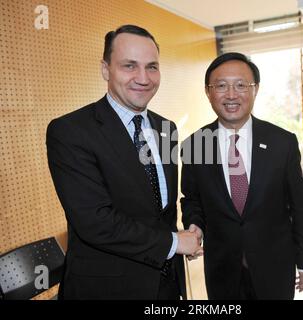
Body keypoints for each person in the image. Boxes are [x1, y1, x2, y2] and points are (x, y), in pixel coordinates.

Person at [46, 25, 201, 300]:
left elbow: (160, 208)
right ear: (106, 69)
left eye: (152, 67)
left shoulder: (167, 128)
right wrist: (175, 242)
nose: (143, 78)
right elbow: (96, 222)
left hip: (166, 283)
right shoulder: (70, 131)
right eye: (130, 65)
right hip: (107, 288)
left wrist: (189, 231)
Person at [180, 52, 303, 300]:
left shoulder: (282, 142)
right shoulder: (194, 145)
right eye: (221, 86)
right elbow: (191, 198)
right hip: (221, 268)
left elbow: (300, 206)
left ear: (255, 90)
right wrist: (194, 224)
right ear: (208, 91)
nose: (231, 95)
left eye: (241, 85)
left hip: (275, 265)